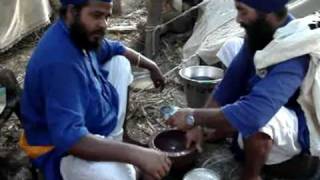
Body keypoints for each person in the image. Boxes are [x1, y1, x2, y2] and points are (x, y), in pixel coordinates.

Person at [19, 0, 172, 180]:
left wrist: (151, 66)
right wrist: (137, 154)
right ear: (71, 11)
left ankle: (115, 140)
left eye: (106, 17)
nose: (104, 25)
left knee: (119, 62)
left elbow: (116, 48)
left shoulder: (79, 34)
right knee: (122, 175)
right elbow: (71, 139)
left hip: (87, 124)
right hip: (60, 150)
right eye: (96, 15)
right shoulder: (60, 62)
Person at [167, 0, 312, 179]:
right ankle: (226, 127)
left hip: (302, 122)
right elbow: (231, 82)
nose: (237, 19)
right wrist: (199, 124)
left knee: (262, 119)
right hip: (272, 99)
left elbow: (253, 115)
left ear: (267, 13)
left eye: (243, 12)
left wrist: (193, 116)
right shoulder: (264, 32)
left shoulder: (295, 53)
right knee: (231, 46)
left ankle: (252, 175)